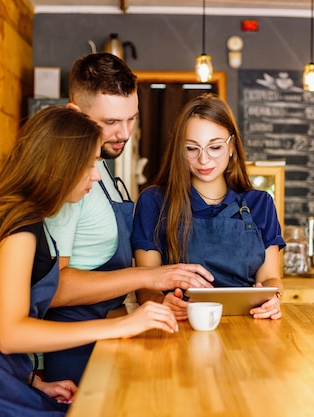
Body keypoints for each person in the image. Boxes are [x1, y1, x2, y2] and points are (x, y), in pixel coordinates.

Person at [0, 106, 180, 417]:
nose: (96, 174)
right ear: (60, 164)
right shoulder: (19, 225)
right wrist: (122, 325)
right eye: (90, 163)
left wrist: (32, 383)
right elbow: (11, 334)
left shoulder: (23, 217)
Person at [42, 53, 213, 384]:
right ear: (75, 113)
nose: (123, 133)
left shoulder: (102, 169)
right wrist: (147, 277)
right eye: (109, 123)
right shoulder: (70, 179)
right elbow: (54, 286)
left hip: (113, 336)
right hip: (75, 349)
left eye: (132, 118)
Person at [132, 93, 285, 321]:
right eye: (192, 149)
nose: (204, 160)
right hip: (179, 325)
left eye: (214, 147)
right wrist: (162, 302)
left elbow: (271, 278)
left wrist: (274, 299)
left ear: (231, 146)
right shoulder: (153, 201)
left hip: (248, 325)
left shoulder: (260, 204)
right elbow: (145, 286)